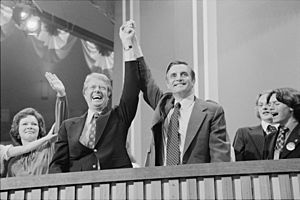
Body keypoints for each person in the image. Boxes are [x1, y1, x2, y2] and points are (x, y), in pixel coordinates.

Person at [121, 20, 231, 166]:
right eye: (173, 76)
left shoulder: (211, 111)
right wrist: (132, 43)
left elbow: (220, 156)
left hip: (197, 182)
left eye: (184, 74)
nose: (178, 78)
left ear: (193, 80)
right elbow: (145, 79)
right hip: (161, 181)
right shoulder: (163, 105)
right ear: (168, 83)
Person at [48, 25, 140, 173]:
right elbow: (57, 165)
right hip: (78, 189)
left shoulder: (119, 117)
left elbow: (132, 88)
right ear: (85, 94)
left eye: (102, 88)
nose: (97, 90)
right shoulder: (68, 126)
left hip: (115, 185)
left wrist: (128, 46)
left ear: (109, 94)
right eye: (92, 87)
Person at [6, 72, 68, 177]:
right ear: (17, 131)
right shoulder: (12, 163)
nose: (29, 126)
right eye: (25, 124)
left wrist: (61, 95)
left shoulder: (49, 149)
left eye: (34, 124)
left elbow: (61, 124)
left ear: (39, 129)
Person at [233, 90, 279, 161]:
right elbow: (236, 165)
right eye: (260, 105)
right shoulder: (244, 133)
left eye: (268, 104)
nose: (264, 108)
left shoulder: (289, 133)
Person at [265, 87, 300, 160]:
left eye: (276, 104)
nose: (270, 108)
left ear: (291, 106)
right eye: (269, 104)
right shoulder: (270, 138)